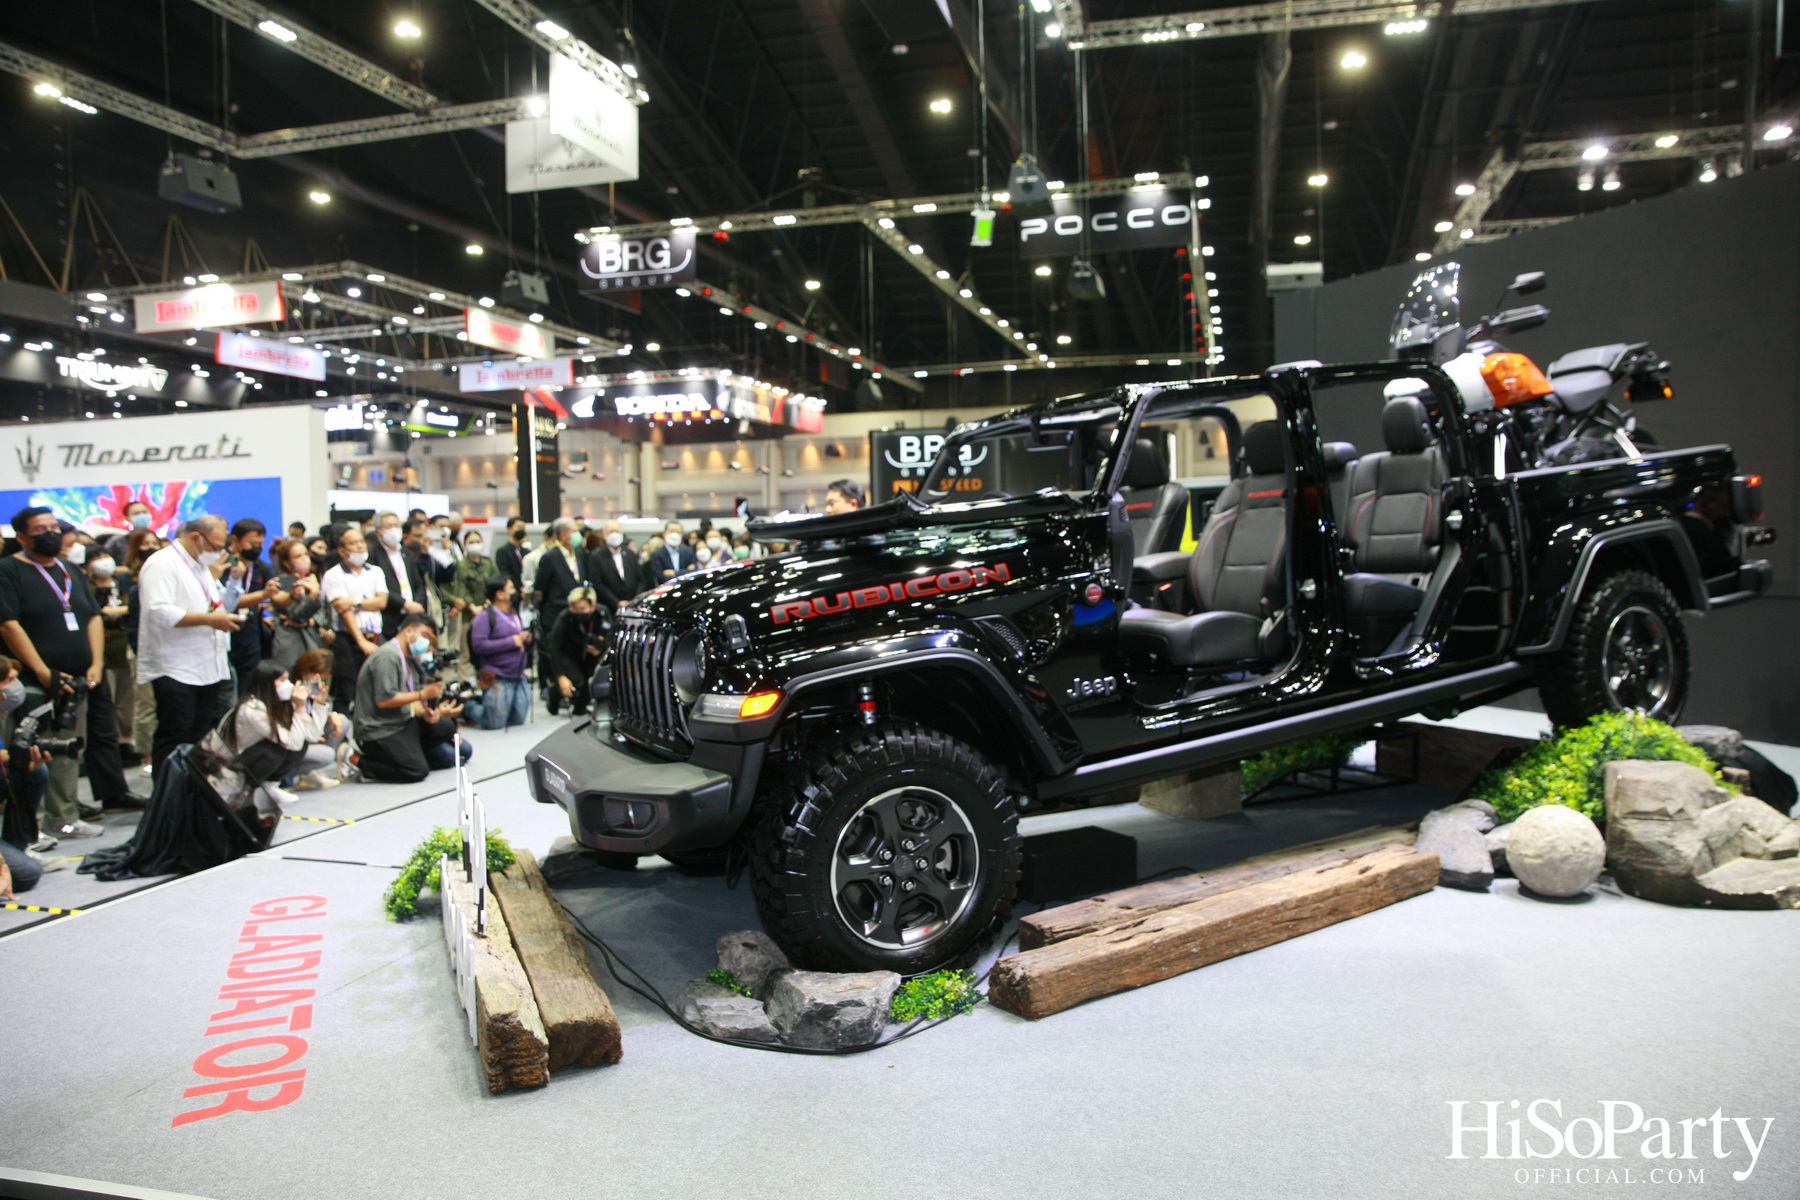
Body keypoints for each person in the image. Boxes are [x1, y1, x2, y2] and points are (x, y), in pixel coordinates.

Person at [0, 506, 139, 836]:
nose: (51, 533)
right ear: (21, 537)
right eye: (40, 529)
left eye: (54, 527)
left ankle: (63, 816)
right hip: (36, 678)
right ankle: (26, 829)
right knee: (32, 751)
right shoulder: (9, 571)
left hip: (79, 675)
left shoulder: (68, 570)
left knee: (69, 746)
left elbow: (92, 616)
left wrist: (96, 663)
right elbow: (9, 625)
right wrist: (44, 671)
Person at [136, 514, 243, 786]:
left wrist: (220, 616)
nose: (220, 553)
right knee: (175, 732)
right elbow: (158, 611)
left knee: (200, 732)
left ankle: (192, 791)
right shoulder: (162, 564)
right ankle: (167, 793)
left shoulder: (199, 566)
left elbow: (212, 602)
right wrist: (210, 619)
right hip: (175, 665)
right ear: (196, 537)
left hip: (206, 662)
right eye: (217, 546)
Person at [352, 617, 471, 783]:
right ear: (409, 631)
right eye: (425, 635)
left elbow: (410, 695)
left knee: (451, 733)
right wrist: (423, 694)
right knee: (416, 771)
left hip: (402, 721)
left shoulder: (408, 658)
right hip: (379, 730)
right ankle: (357, 761)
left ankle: (407, 753)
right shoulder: (387, 656)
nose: (426, 642)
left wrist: (426, 713)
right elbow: (384, 701)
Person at [319, 526, 388, 712]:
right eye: (352, 543)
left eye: (360, 541)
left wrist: (355, 601)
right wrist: (360, 641)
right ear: (342, 550)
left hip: (375, 635)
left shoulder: (375, 572)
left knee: (376, 685)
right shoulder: (334, 574)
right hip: (348, 638)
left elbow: (382, 601)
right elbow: (342, 608)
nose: (359, 546)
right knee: (346, 688)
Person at [84, 546, 138, 769]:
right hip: (100, 653)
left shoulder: (120, 584)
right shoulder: (86, 587)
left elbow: (131, 610)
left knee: (126, 701)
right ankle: (112, 744)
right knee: (108, 702)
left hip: (123, 648)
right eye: (97, 557)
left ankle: (126, 742)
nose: (103, 561)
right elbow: (96, 614)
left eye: (105, 556)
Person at [466, 576, 531, 730]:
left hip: (518, 674)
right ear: (500, 594)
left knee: (518, 719)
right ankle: (468, 706)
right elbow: (479, 646)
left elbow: (518, 634)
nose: (516, 592)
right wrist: (511, 642)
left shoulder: (514, 613)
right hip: (498, 676)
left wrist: (526, 637)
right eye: (511, 589)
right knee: (494, 724)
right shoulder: (484, 617)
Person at [288, 648, 354, 786]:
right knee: (326, 754)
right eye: (314, 675)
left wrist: (324, 707)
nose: (317, 681)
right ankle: (292, 774)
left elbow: (315, 726)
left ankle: (309, 773)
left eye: (322, 678)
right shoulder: (288, 688)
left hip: (308, 734)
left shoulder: (315, 689)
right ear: (304, 670)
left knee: (341, 720)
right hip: (291, 739)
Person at [222, 518, 274, 688]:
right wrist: (263, 594)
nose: (257, 548)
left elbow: (276, 595)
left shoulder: (263, 568)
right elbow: (227, 602)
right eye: (252, 543)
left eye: (260, 543)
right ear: (235, 539)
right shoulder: (222, 564)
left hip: (251, 634)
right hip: (225, 633)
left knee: (249, 685)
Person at [268, 537, 329, 670]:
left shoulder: (312, 578)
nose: (304, 559)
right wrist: (312, 595)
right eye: (298, 556)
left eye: (306, 554)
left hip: (312, 638)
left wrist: (311, 621)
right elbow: (296, 616)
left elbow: (323, 613)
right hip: (291, 643)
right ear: (286, 562)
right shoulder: (282, 582)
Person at [547, 587, 606, 717]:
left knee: (594, 676)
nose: (578, 612)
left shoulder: (601, 614)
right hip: (568, 653)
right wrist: (560, 676)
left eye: (582, 609)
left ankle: (580, 707)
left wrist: (599, 651)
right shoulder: (564, 617)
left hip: (591, 654)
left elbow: (608, 639)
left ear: (592, 606)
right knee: (575, 679)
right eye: (575, 609)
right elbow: (554, 648)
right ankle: (554, 694)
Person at [371, 511, 429, 641]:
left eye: (396, 525)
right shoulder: (372, 554)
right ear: (378, 532)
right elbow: (378, 588)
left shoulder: (406, 553)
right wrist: (404, 604)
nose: (393, 529)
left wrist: (417, 604)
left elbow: (418, 583)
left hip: (412, 616)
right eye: (388, 526)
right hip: (390, 616)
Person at [587, 519, 644, 611]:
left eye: (616, 531)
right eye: (610, 531)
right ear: (604, 534)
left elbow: (640, 579)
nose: (614, 534)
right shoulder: (597, 555)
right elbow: (598, 583)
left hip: (632, 604)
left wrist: (635, 599)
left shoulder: (630, 553)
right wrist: (616, 602)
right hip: (610, 606)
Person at [495, 517, 529, 592]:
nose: (521, 530)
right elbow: (505, 574)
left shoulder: (527, 552)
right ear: (509, 529)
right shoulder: (503, 551)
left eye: (523, 528)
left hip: (527, 592)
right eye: (518, 527)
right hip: (513, 593)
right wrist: (519, 589)